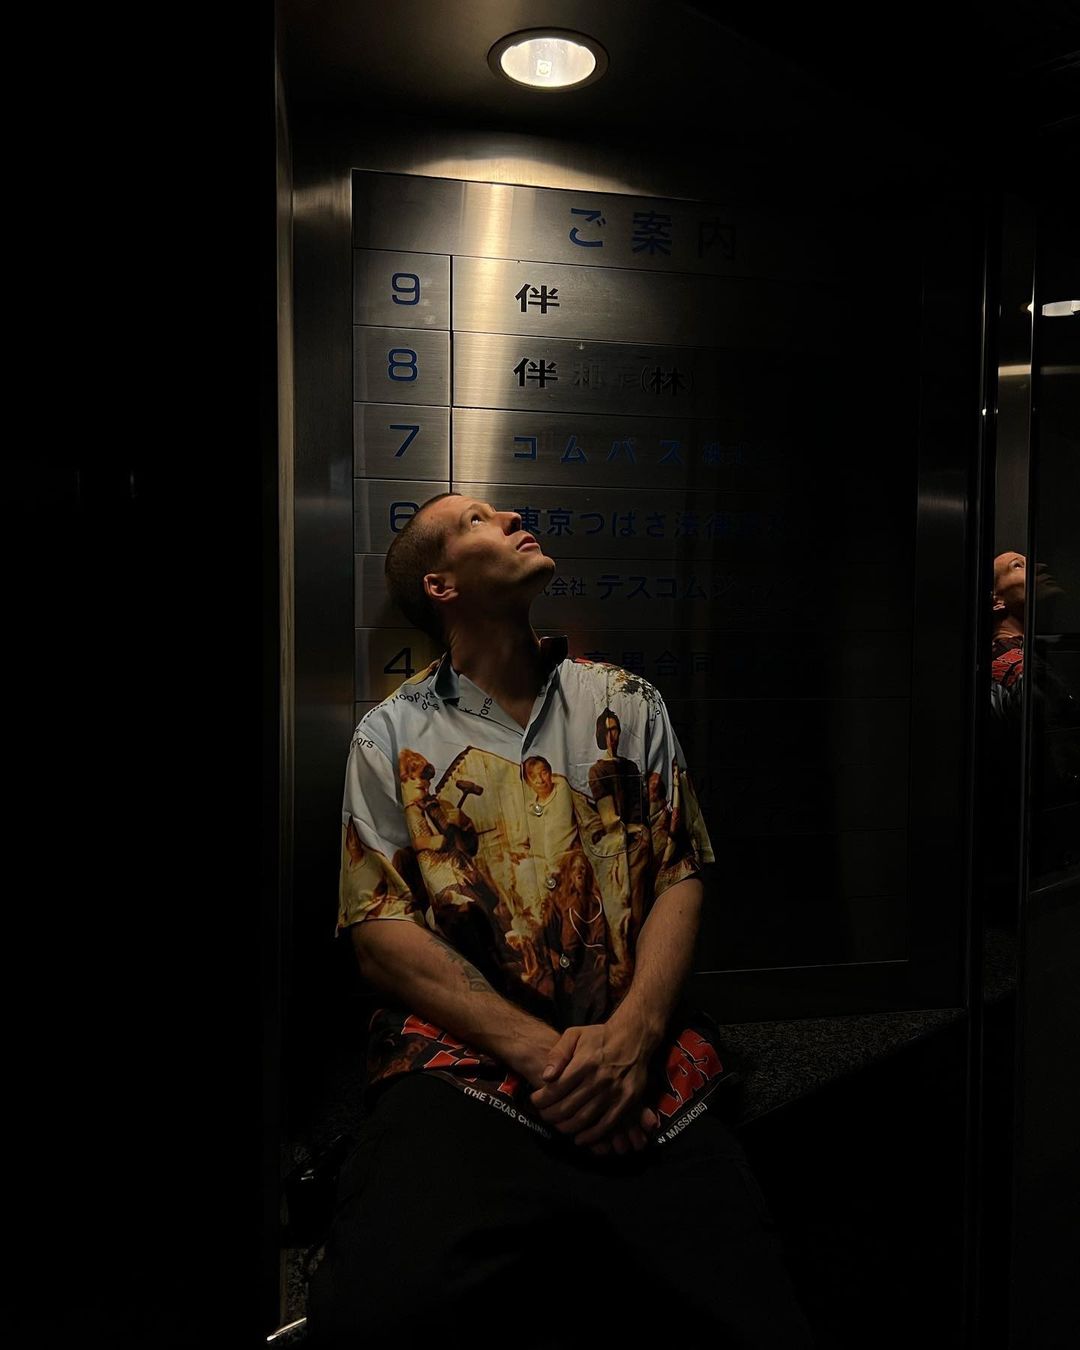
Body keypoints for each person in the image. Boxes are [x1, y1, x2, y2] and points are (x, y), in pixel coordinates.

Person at [307, 493, 814, 1347]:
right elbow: (379, 933)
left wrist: (632, 1040)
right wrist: (552, 1059)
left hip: (630, 1044)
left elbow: (678, 872)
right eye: (476, 521)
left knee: (749, 1307)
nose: (510, 519)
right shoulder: (389, 735)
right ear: (440, 585)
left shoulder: (624, 701)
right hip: (468, 1063)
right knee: (381, 1305)